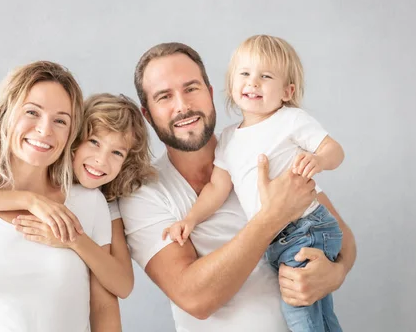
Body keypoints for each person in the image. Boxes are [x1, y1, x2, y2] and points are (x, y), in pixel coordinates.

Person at [119, 42, 356, 331]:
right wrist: (272, 216)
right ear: (148, 113)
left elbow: (342, 237)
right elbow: (195, 298)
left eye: (191, 88)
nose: (182, 105)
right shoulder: (143, 193)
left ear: (210, 93)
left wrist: (336, 272)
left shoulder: (263, 146)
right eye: (164, 97)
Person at [0, 61, 118, 332]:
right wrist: (30, 200)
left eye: (60, 120)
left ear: (70, 133)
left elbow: (104, 309)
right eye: (32, 112)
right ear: (4, 115)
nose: (45, 130)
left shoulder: (88, 203)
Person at [0, 93, 156, 300]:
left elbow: (123, 285)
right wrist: (31, 200)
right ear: (75, 140)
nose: (101, 160)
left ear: (127, 162)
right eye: (94, 142)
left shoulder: (103, 202)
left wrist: (74, 240)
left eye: (117, 153)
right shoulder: (38, 172)